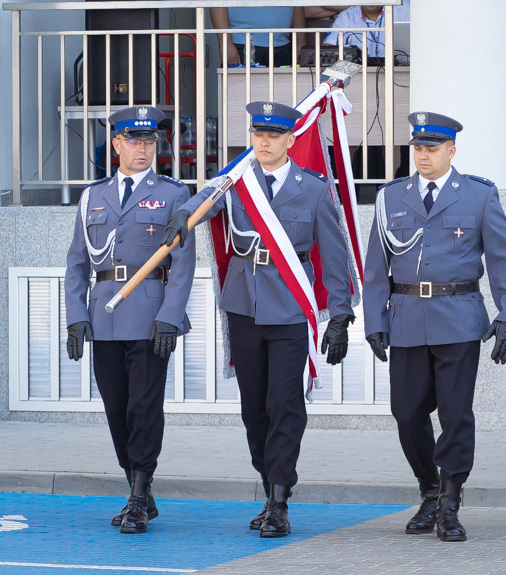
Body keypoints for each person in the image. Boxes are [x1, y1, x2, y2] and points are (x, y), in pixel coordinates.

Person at [160, 101, 354, 538]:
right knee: (254, 410)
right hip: (244, 305)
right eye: (257, 134)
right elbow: (204, 204)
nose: (263, 141)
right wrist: (182, 215)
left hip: (289, 308)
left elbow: (335, 259)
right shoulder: (236, 182)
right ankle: (270, 489)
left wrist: (339, 315)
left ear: (291, 140)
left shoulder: (315, 189)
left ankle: (280, 501)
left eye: (273, 135)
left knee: (285, 404)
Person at [363, 112, 506, 542]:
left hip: (458, 317)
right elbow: (376, 265)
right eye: (417, 148)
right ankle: (429, 488)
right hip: (408, 317)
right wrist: (374, 319)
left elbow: (505, 258)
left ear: (451, 151)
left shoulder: (478, 195)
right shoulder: (391, 197)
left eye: (431, 148)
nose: (422, 156)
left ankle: (450, 502)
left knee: (455, 415)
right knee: (407, 412)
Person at [64, 105, 196, 534]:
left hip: (149, 314)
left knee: (144, 407)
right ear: (115, 145)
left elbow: (183, 263)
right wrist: (75, 316)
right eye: (135, 141)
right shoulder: (92, 196)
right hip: (104, 317)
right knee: (117, 409)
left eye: (150, 141)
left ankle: (138, 497)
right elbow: (77, 264)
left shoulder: (176, 194)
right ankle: (138, 485)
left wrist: (170, 318)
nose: (144, 148)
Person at [210, 6, 306, 67]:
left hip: (282, 46)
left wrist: (301, 43)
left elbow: (297, 6)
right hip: (243, 44)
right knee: (241, 95)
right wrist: (226, 43)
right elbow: (216, 5)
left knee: (283, 95)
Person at [323, 3, 411, 59]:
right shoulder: (346, 16)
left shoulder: (404, 8)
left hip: (401, 70)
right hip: (358, 74)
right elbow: (330, 47)